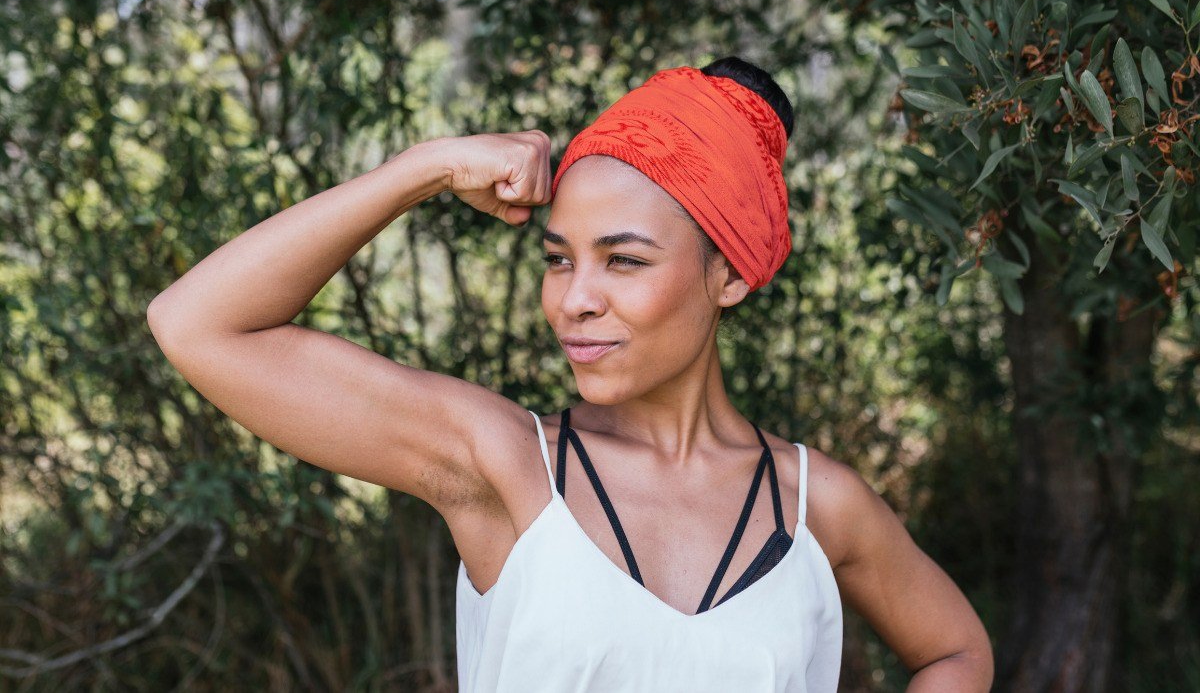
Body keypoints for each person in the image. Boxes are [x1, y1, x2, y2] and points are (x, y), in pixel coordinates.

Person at [147, 57, 994, 691]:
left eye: (623, 262)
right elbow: (198, 326)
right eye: (559, 259)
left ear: (729, 274)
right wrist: (427, 167)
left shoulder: (819, 506)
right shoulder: (506, 469)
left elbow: (957, 653)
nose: (573, 302)